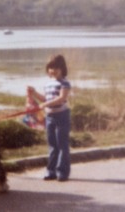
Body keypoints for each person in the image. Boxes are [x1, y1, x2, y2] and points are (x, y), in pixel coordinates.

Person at [28, 54, 71, 182]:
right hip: (50, 117)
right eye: (51, 68)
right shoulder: (48, 84)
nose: (53, 70)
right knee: (52, 145)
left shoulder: (65, 83)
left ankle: (62, 172)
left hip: (62, 116)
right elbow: (45, 98)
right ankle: (51, 171)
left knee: (62, 144)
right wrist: (34, 92)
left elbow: (61, 98)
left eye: (56, 67)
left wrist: (45, 104)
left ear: (62, 68)